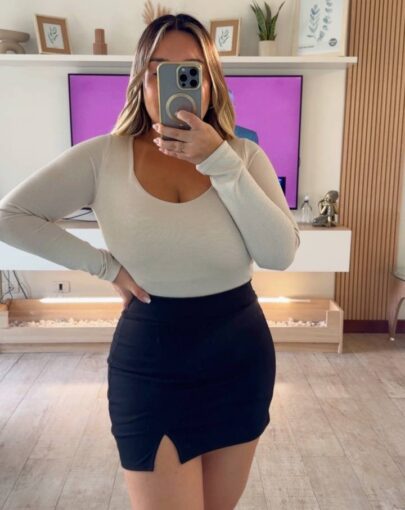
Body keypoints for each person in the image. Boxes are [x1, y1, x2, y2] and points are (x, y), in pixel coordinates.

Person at [0, 12, 300, 510]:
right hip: (150, 361)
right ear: (140, 81)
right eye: (158, 70)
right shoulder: (103, 157)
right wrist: (106, 268)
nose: (171, 83)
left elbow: (279, 254)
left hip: (238, 356)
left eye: (189, 71)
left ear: (211, 84)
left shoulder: (243, 158)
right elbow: (10, 216)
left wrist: (218, 161)